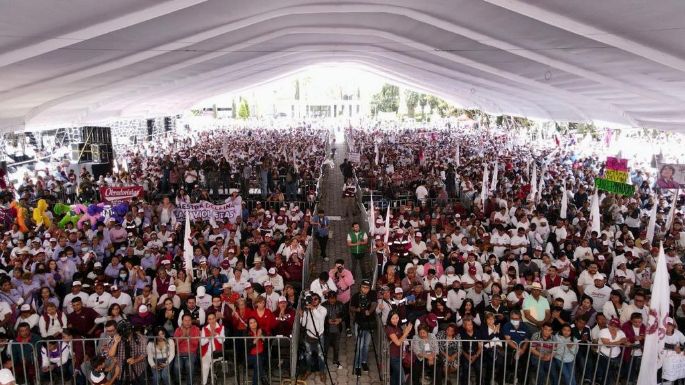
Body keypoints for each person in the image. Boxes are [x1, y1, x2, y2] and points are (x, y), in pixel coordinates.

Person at [299, 292, 327, 382]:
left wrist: (313, 309)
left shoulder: (323, 309)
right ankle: (308, 370)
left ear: (319, 300)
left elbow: (320, 317)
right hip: (309, 335)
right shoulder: (307, 310)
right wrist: (302, 315)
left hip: (319, 336)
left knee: (321, 355)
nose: (314, 301)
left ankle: (322, 372)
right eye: (312, 299)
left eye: (316, 299)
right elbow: (303, 324)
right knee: (308, 355)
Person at [350, 279, 376, 374]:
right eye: (363, 287)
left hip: (369, 323)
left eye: (367, 288)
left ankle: (364, 362)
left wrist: (369, 311)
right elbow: (351, 307)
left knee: (366, 345)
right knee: (360, 346)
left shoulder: (372, 294)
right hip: (359, 323)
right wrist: (358, 309)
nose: (365, 289)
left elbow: (374, 304)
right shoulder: (356, 296)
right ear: (360, 287)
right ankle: (357, 365)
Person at [385, 311, 413, 385]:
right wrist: (406, 333)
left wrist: (405, 332)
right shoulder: (389, 328)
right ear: (389, 319)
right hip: (393, 356)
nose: (395, 320)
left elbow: (401, 338)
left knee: (395, 375)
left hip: (399, 355)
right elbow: (397, 342)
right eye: (393, 318)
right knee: (402, 377)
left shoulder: (398, 327)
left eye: (396, 318)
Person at [597, 318, 627, 385]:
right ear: (608, 325)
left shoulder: (621, 332)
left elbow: (624, 340)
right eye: (611, 325)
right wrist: (619, 341)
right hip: (603, 356)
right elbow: (607, 345)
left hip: (616, 357)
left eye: (615, 326)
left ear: (618, 327)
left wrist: (618, 342)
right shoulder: (604, 331)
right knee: (607, 373)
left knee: (610, 374)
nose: (613, 327)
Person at [200, 312, 225, 385]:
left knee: (212, 367)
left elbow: (222, 341)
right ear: (208, 321)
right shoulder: (204, 329)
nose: (212, 320)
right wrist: (209, 337)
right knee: (205, 366)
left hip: (217, 352)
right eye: (210, 319)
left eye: (213, 318)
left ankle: (213, 382)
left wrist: (216, 335)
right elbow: (202, 343)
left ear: (215, 319)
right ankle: (204, 383)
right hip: (206, 352)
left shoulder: (221, 327)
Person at [173, 314, 201, 379]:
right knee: (177, 367)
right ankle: (178, 383)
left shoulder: (196, 329)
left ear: (191, 321)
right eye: (185, 320)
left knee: (189, 365)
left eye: (189, 320)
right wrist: (183, 336)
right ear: (182, 321)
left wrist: (188, 337)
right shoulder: (178, 330)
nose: (187, 322)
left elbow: (196, 343)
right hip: (180, 353)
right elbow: (175, 343)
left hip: (192, 353)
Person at [322, 291, 343, 369]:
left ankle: (335, 360)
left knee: (336, 347)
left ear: (336, 298)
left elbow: (345, 314)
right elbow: (320, 317)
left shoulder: (340, 304)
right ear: (328, 298)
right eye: (330, 298)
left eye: (333, 298)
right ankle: (324, 361)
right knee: (326, 347)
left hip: (337, 329)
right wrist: (327, 321)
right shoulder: (323, 305)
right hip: (327, 330)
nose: (332, 300)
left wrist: (340, 319)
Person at [245, 317, 268, 385]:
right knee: (257, 360)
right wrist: (258, 336)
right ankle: (263, 377)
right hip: (250, 356)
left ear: (257, 323)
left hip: (261, 355)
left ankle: (258, 380)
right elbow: (249, 346)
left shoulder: (261, 331)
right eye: (251, 323)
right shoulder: (247, 333)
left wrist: (262, 337)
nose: (253, 324)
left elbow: (267, 342)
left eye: (254, 322)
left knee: (257, 364)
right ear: (249, 325)